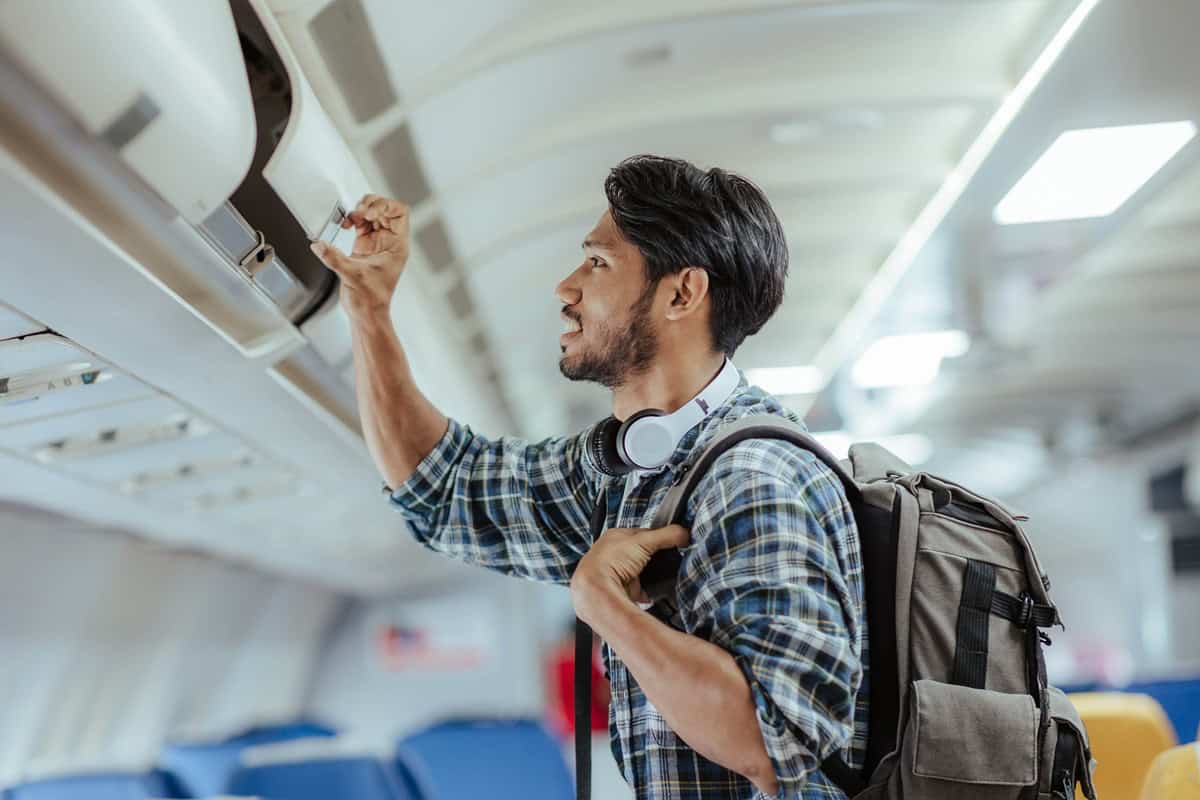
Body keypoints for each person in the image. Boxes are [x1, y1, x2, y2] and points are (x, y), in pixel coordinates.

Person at [310, 155, 867, 799]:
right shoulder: (634, 467)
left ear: (681, 293)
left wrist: (604, 607)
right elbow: (445, 489)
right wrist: (370, 311)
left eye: (598, 264)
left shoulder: (754, 479)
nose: (566, 287)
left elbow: (777, 740)